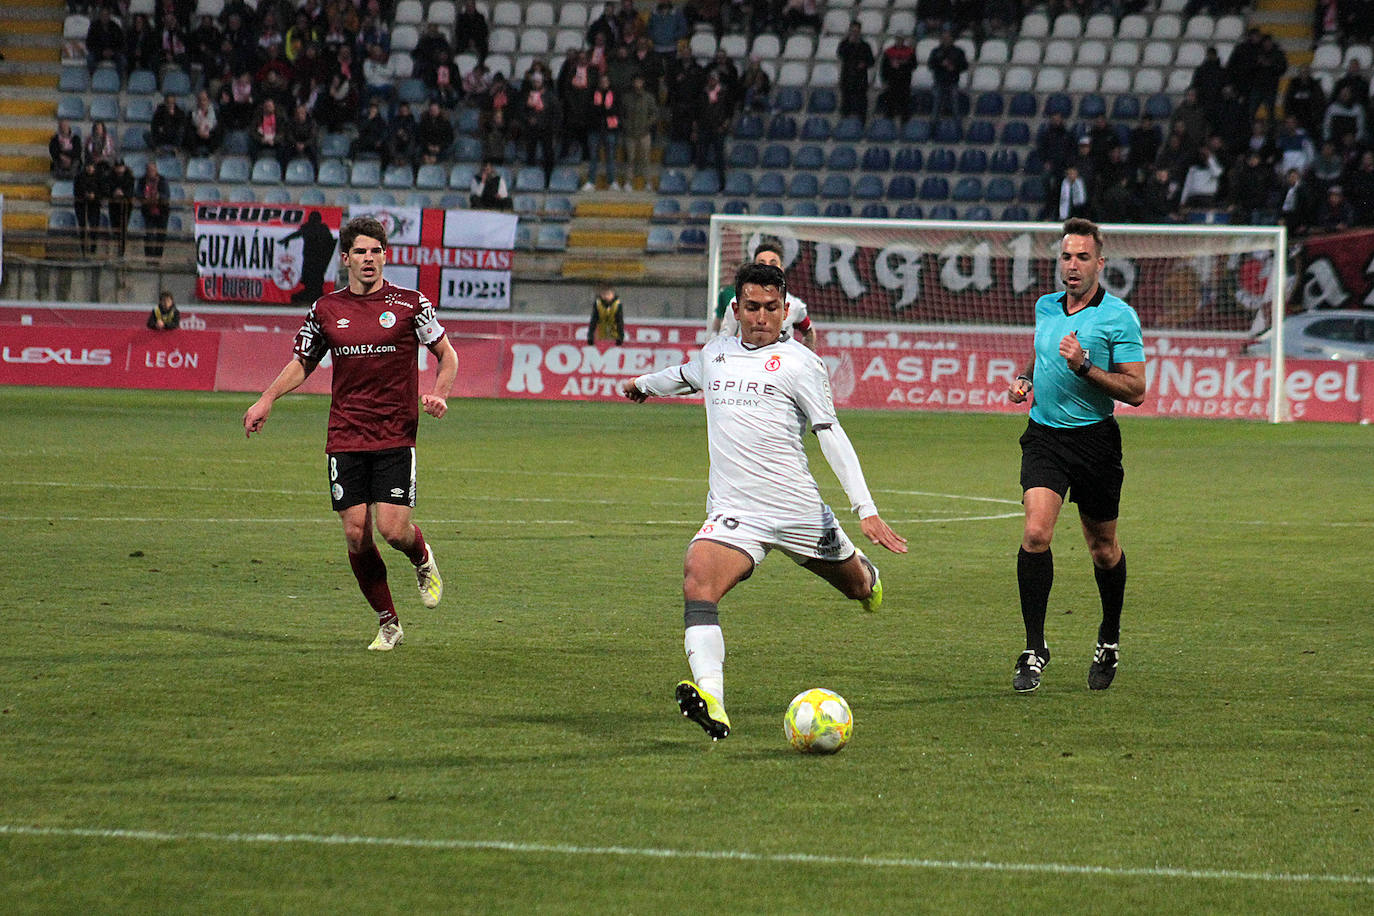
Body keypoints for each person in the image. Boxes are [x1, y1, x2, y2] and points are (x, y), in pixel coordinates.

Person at [620, 261, 907, 740]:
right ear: (736, 308)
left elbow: (830, 433)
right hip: (737, 512)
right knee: (698, 577)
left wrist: (866, 509)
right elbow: (685, 374)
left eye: (772, 309)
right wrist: (643, 386)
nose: (761, 318)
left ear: (785, 310)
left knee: (857, 587)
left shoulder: (801, 363)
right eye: (752, 307)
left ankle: (867, 575)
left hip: (797, 509)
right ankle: (713, 699)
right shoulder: (716, 353)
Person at [243, 217, 458, 652]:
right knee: (356, 533)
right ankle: (388, 623)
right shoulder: (326, 310)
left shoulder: (411, 303)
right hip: (346, 434)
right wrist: (266, 399)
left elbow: (447, 354)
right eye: (360, 251)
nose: (368, 259)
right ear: (345, 259)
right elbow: (302, 362)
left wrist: (439, 394)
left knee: (393, 531)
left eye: (376, 251)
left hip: (396, 433)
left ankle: (422, 558)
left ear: (385, 256)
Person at [1006, 218, 1147, 694]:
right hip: (1045, 437)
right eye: (1066, 257)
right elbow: (1041, 352)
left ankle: (1108, 638)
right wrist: (1026, 377)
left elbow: (1136, 391)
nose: (1072, 265)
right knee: (1035, 533)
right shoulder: (1047, 306)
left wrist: (1085, 365)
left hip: (1096, 443)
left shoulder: (1119, 317)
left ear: (1099, 264)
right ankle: (1034, 648)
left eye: (1082, 257)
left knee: (1104, 551)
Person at [713, 242, 818, 351]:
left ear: (782, 268)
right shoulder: (738, 302)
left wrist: (808, 355)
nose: (767, 267)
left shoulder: (794, 305)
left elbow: (808, 330)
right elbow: (724, 338)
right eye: (752, 308)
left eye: (773, 264)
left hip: (779, 365)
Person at [136, 159, 170, 260]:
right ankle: (149, 257)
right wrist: (144, 196)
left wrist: (159, 196)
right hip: (148, 211)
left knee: (161, 236)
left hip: (161, 211)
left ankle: (158, 258)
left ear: (156, 170)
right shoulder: (142, 181)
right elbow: (138, 193)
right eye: (149, 170)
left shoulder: (162, 180)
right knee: (149, 235)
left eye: (152, 169)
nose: (151, 171)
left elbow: (166, 195)